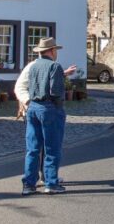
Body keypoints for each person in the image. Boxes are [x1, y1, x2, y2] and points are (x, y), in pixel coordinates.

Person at [14, 50, 76, 188]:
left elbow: (42, 80)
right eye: (55, 50)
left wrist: (29, 103)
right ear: (52, 51)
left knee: (33, 149)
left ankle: (29, 185)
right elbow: (55, 91)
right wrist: (59, 106)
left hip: (33, 109)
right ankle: (51, 183)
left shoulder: (33, 65)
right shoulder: (54, 66)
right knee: (52, 148)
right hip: (49, 108)